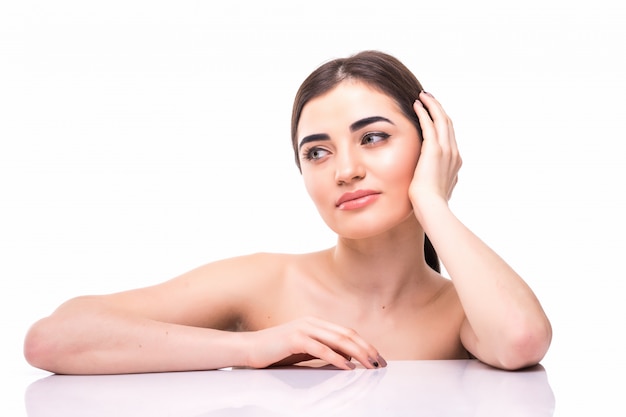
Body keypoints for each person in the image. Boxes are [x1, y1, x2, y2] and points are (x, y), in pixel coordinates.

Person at [23, 50, 552, 374]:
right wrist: (253, 347)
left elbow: (522, 341)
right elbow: (54, 338)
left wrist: (432, 199)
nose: (345, 170)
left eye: (373, 138)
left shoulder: (465, 308)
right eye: (317, 152)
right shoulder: (265, 281)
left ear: (430, 144)